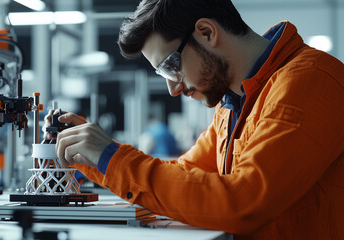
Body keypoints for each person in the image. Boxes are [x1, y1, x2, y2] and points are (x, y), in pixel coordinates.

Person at [43, 0, 344, 239]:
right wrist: (89, 155)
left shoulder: (310, 81)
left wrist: (112, 157)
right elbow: (186, 174)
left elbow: (242, 202)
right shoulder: (233, 105)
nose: (173, 88)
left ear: (207, 32)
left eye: (171, 65)